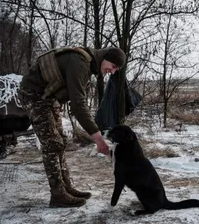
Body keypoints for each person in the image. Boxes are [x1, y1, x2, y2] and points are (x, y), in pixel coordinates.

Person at [18, 46, 126, 208]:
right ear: (106, 58)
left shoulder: (88, 65)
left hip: (48, 97)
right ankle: (58, 195)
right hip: (34, 94)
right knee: (52, 143)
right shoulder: (80, 62)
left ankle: (66, 187)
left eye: (117, 69)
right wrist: (98, 138)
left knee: (60, 140)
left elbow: (75, 97)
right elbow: (78, 105)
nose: (113, 71)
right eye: (114, 66)